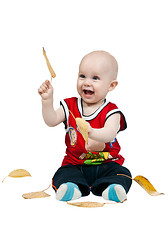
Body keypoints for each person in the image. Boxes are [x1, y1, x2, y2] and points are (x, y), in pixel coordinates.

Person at [38, 50, 132, 202]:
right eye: (82, 76)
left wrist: (91, 131)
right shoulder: (69, 106)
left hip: (106, 164)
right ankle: (72, 188)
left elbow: (110, 134)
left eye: (95, 78)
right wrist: (47, 101)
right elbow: (51, 120)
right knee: (63, 173)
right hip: (75, 164)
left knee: (122, 173)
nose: (86, 82)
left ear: (111, 85)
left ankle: (111, 188)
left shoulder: (112, 111)